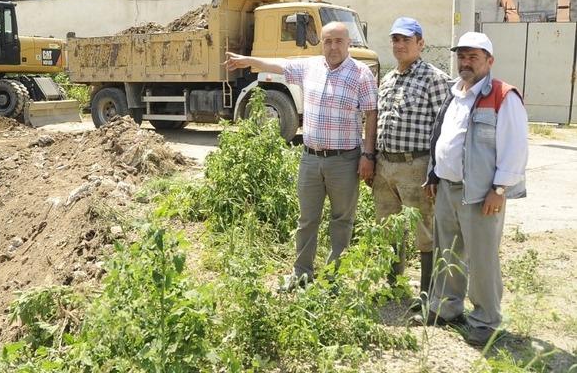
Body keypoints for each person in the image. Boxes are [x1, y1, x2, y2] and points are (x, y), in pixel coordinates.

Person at [225, 22, 378, 286]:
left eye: (338, 41)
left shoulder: (361, 73)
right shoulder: (311, 67)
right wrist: (248, 60)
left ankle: (334, 277)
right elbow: (280, 65)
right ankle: (302, 272)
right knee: (307, 218)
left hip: (345, 159)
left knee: (341, 220)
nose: (333, 47)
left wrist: (368, 154)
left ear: (348, 42)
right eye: (327, 41)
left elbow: (371, 114)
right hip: (310, 158)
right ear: (321, 42)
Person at [418, 31, 528, 347]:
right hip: (447, 190)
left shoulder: (503, 96)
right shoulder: (455, 94)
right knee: (447, 251)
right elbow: (443, 139)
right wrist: (434, 176)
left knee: (482, 259)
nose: (465, 63)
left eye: (473, 57)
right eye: (462, 56)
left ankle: (486, 320)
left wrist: (500, 188)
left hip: (481, 194)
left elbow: (515, 147)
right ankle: (447, 308)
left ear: (489, 61)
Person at [372, 18, 450, 307]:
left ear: (420, 43)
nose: (399, 45)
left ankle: (427, 293)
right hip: (385, 167)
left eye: (406, 39)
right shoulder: (388, 79)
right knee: (389, 227)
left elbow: (444, 126)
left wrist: (434, 172)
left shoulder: (434, 78)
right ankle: (395, 285)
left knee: (424, 230)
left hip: (416, 166)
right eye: (395, 39)